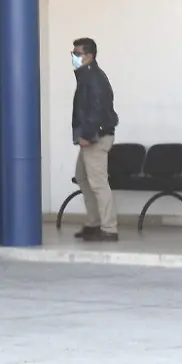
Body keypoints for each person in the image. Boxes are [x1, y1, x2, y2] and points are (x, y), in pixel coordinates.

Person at [71, 37, 120, 242]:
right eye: (73, 54)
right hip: (90, 137)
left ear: (89, 56)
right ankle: (93, 222)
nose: (74, 57)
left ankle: (109, 228)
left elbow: (98, 110)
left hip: (96, 138)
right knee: (82, 178)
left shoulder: (94, 78)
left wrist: (87, 135)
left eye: (77, 54)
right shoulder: (86, 76)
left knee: (98, 183)